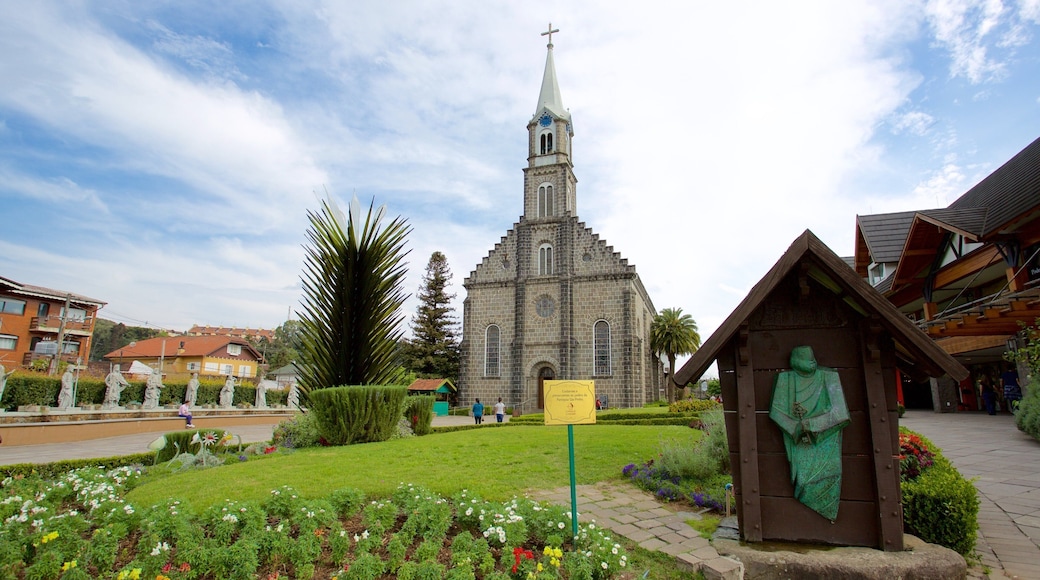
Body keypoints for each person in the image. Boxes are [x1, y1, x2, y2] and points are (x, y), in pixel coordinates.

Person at [769, 345, 850, 522]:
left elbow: (841, 413)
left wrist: (811, 424)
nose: (811, 361)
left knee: (827, 478)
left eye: (811, 357)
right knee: (803, 482)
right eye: (804, 357)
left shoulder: (829, 377)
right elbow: (776, 412)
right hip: (799, 444)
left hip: (825, 445)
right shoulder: (786, 379)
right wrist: (796, 428)